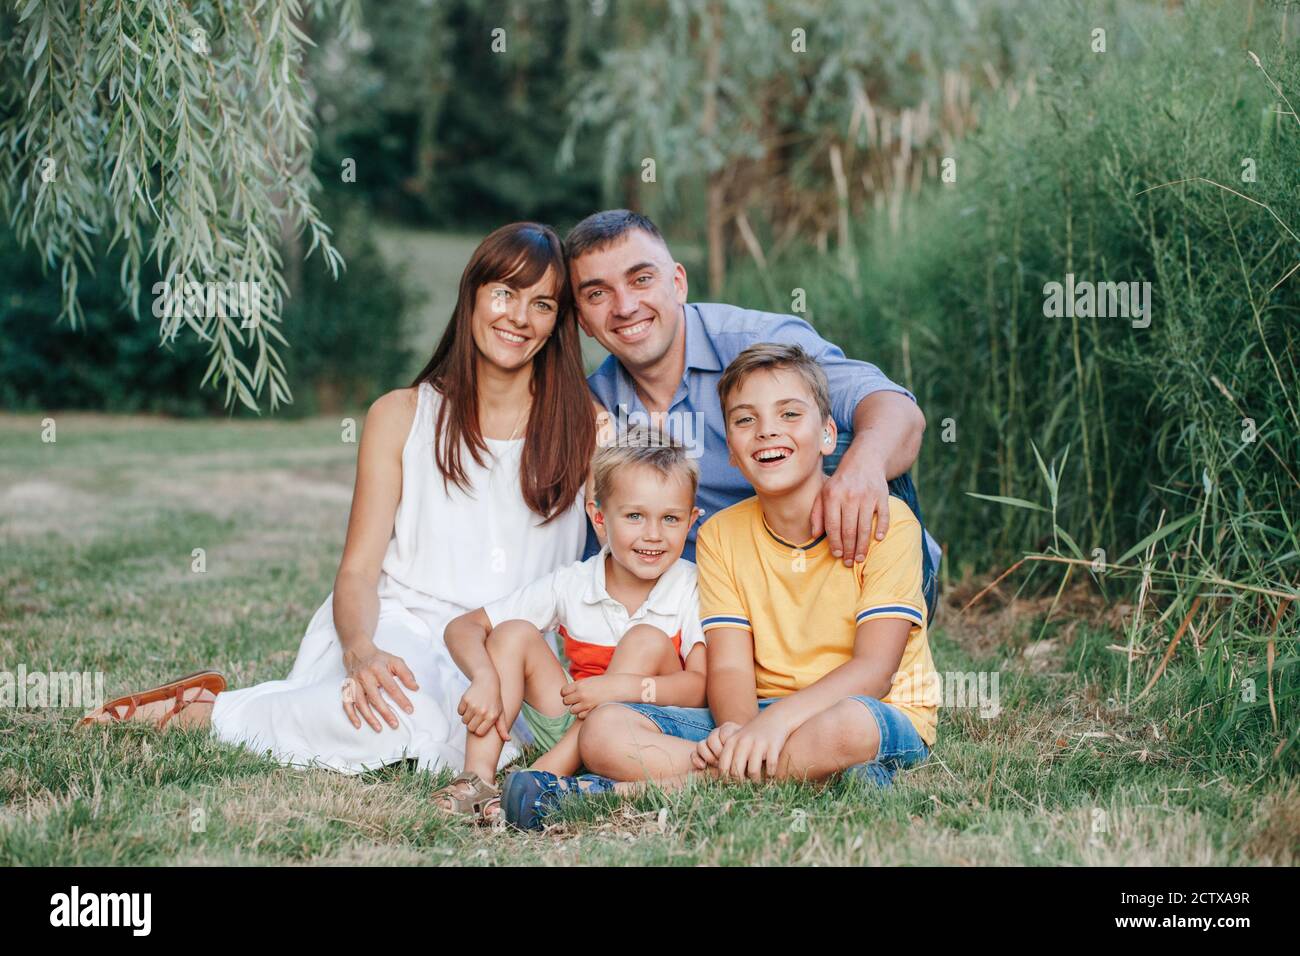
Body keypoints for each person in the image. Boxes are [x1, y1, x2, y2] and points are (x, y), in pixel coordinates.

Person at [79, 222, 597, 778]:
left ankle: (239, 707)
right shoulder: (400, 415)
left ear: (558, 323)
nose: (518, 317)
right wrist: (362, 651)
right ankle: (204, 713)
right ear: (471, 294)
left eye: (541, 304)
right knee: (389, 719)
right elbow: (356, 572)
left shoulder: (587, 428)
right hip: (404, 627)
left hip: (509, 650)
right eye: (503, 293)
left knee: (490, 745)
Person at [510, 344, 938, 826]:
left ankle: (612, 794)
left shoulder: (888, 521)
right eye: (744, 420)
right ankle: (826, 777)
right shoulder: (719, 535)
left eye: (790, 413)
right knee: (605, 730)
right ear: (732, 453)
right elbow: (730, 667)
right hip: (754, 712)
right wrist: (739, 728)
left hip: (873, 711)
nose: (767, 431)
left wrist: (771, 727)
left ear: (827, 434)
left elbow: (875, 671)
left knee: (846, 727)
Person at [568, 209, 940, 618]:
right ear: (583, 319)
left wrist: (862, 470)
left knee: (840, 436)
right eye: (597, 294)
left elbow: (897, 411)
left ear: (677, 283)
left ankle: (877, 619)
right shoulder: (595, 404)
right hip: (713, 602)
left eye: (641, 279)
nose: (624, 306)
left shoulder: (756, 345)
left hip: (824, 576)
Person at [436, 432, 706, 824]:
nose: (653, 534)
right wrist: (483, 678)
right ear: (599, 517)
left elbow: (701, 688)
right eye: (634, 516)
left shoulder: (691, 586)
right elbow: (465, 626)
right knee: (512, 633)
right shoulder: (574, 583)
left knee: (645, 639)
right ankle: (476, 781)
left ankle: (545, 774)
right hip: (570, 725)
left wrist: (626, 688)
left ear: (691, 520)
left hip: (640, 735)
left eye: (670, 518)